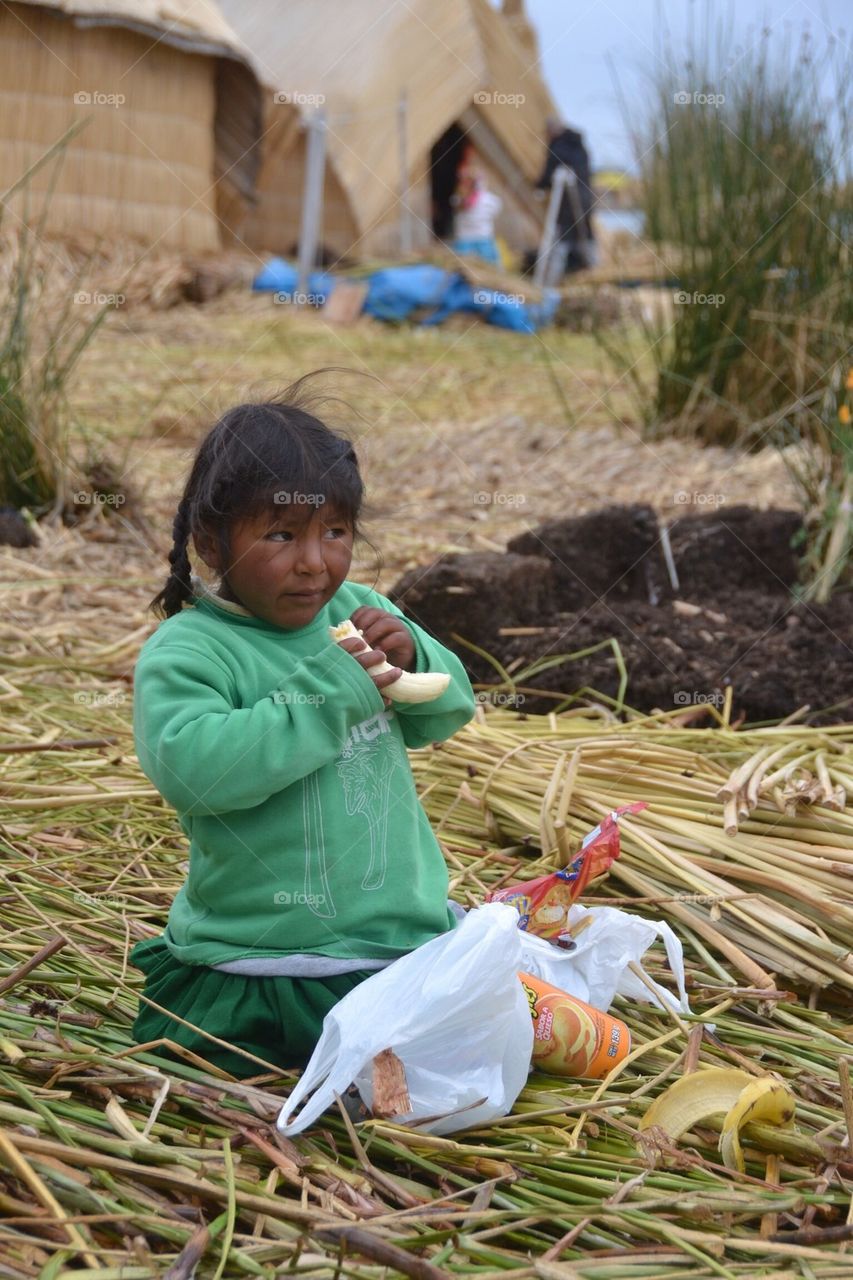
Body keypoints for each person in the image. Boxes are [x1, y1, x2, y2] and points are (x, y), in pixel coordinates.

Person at [129, 380, 476, 1079]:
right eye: (281, 535)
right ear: (208, 542)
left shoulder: (360, 610)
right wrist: (330, 694)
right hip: (267, 962)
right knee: (257, 1082)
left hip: (402, 944)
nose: (315, 562)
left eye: (335, 533)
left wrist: (415, 652)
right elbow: (194, 773)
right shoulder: (191, 651)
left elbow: (445, 709)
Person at [535, 118, 597, 284]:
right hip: (585, 199)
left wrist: (539, 185)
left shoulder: (558, 147)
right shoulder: (580, 147)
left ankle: (549, 284)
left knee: (562, 241)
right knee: (586, 235)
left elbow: (548, 173)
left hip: (568, 203)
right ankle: (595, 275)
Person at [451, 164, 503, 265]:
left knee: (487, 267)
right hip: (466, 240)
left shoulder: (487, 200)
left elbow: (495, 207)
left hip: (482, 239)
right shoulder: (459, 199)